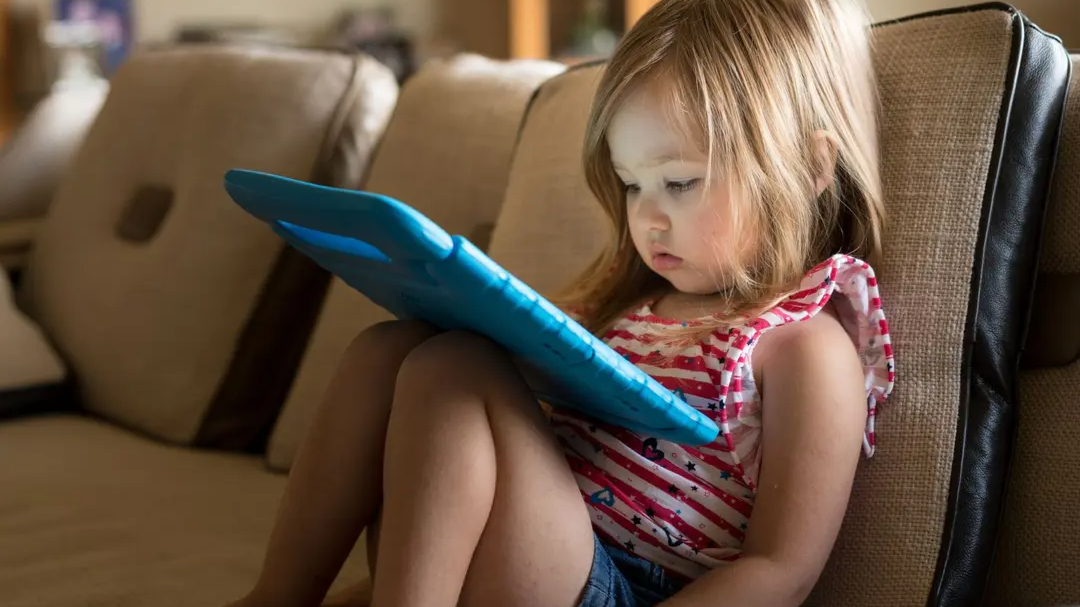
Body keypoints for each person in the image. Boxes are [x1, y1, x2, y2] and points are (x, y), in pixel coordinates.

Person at [226, 0, 895, 606]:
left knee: (452, 368)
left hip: (620, 587)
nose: (649, 217)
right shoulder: (636, 302)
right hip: (530, 548)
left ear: (810, 168)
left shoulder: (805, 345)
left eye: (680, 182)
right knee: (390, 349)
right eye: (632, 185)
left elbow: (782, 568)